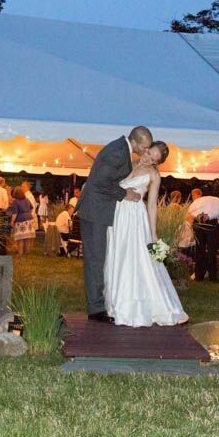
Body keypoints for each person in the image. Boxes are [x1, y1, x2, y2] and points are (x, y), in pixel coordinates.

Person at [104, 141, 188, 326]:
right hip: (117, 216)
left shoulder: (154, 175)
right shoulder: (128, 164)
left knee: (136, 259)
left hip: (135, 218)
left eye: (153, 158)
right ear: (146, 148)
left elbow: (151, 205)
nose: (148, 158)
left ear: (157, 162)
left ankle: (134, 307)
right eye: (149, 153)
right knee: (117, 256)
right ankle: (114, 304)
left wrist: (153, 233)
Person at [76, 126, 152, 322]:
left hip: (100, 211)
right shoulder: (118, 152)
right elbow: (101, 182)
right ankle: (96, 309)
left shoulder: (120, 149)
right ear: (134, 141)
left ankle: (98, 304)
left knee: (100, 258)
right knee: (96, 260)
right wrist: (125, 194)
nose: (146, 151)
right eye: (144, 147)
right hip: (95, 211)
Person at [188, 188, 219, 282]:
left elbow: (191, 212)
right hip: (210, 225)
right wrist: (209, 216)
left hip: (204, 224)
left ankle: (199, 276)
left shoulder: (198, 203)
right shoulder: (214, 202)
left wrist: (203, 216)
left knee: (201, 250)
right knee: (210, 251)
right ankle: (212, 276)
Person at [7, 187, 35, 255]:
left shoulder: (15, 202)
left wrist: (12, 222)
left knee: (20, 237)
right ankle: (27, 251)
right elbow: (31, 208)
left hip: (20, 220)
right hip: (29, 219)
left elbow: (15, 214)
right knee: (27, 237)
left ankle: (20, 252)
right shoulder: (27, 199)